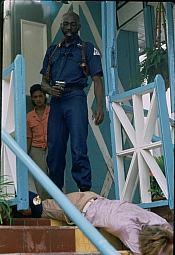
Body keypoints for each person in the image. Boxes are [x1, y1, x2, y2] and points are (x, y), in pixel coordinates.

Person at [40, 11, 104, 192]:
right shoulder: (52, 51)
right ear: (61, 25)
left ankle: (85, 191)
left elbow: (97, 80)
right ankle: (55, 193)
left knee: (78, 147)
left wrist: (99, 106)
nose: (69, 28)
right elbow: (44, 81)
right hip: (56, 101)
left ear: (79, 27)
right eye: (66, 24)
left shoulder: (87, 48)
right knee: (55, 149)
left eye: (73, 24)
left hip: (75, 99)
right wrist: (48, 89)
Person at [15, 191, 174, 255]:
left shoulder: (158, 222)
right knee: (36, 209)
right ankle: (14, 197)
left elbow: (168, 230)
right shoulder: (127, 229)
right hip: (78, 206)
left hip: (94, 199)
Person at [26, 84, 50, 200]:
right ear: (32, 98)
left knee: (54, 175)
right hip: (36, 149)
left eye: (40, 96)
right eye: (35, 97)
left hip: (52, 147)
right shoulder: (29, 117)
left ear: (45, 96)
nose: (38, 99)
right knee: (40, 179)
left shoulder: (52, 111)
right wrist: (26, 154)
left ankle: (56, 205)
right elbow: (29, 137)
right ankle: (45, 206)